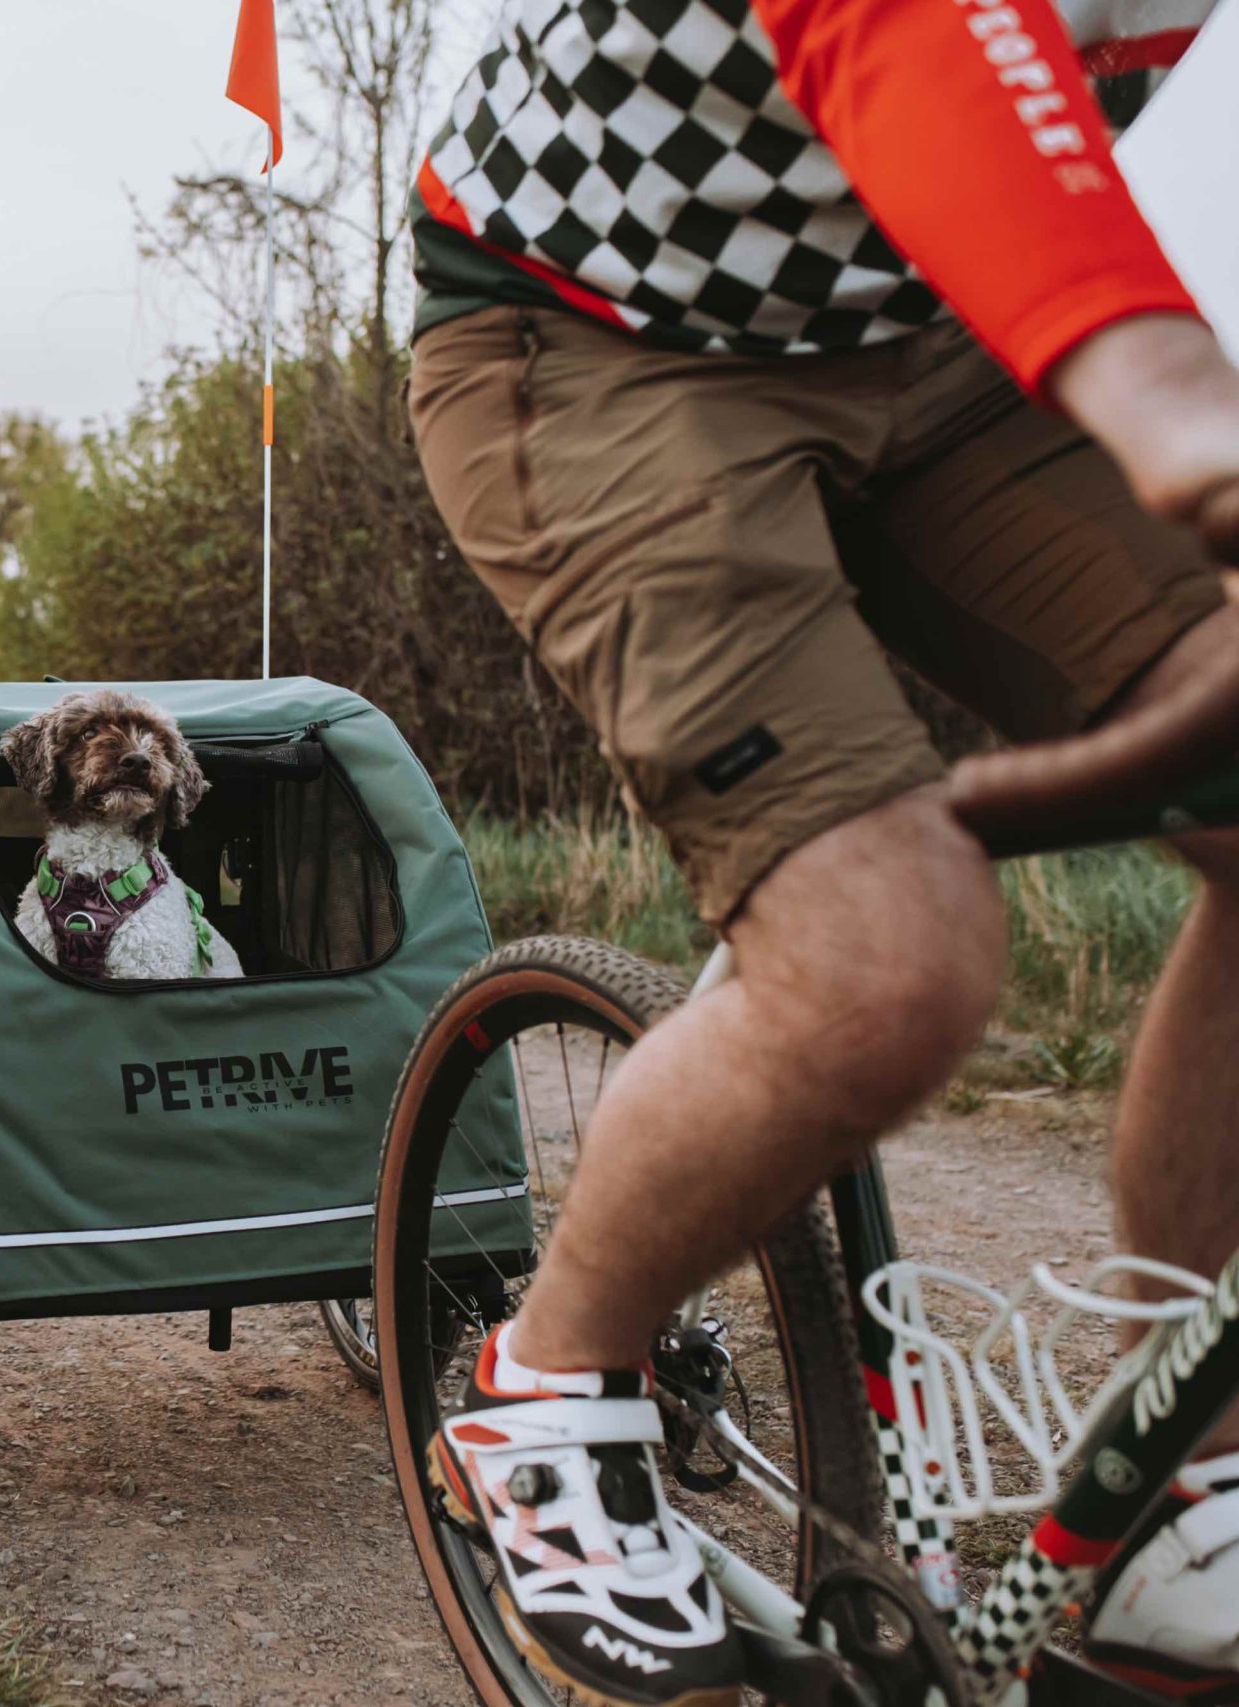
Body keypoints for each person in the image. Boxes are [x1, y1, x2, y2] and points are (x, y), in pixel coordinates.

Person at [405, 2, 1239, 1703]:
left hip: (923, 336)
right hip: (595, 335)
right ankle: (543, 1383)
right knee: (884, 969)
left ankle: (1181, 1478)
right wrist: (1166, 394)